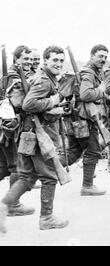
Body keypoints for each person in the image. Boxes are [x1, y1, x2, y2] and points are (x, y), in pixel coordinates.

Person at [1, 45, 69, 233]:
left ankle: (3, 207)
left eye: (61, 60)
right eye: (55, 60)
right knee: (49, 177)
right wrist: (54, 102)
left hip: (28, 133)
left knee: (27, 177)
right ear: (45, 60)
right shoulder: (44, 80)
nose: (59, 64)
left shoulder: (41, 77)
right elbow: (29, 104)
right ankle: (46, 218)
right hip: (39, 134)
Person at [59, 44, 109, 196]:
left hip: (76, 118)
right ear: (92, 55)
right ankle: (87, 186)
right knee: (93, 151)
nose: (103, 59)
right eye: (100, 56)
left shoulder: (88, 71)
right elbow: (85, 94)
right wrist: (100, 90)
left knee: (74, 151)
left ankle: (45, 170)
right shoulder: (89, 73)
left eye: (105, 57)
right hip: (85, 119)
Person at [0, 45, 35, 219]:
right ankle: (12, 205)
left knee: (2, 168)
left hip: (7, 126)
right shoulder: (13, 76)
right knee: (16, 166)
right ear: (16, 59)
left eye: (30, 59)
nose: (28, 62)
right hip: (11, 128)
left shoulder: (20, 75)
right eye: (25, 59)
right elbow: (19, 102)